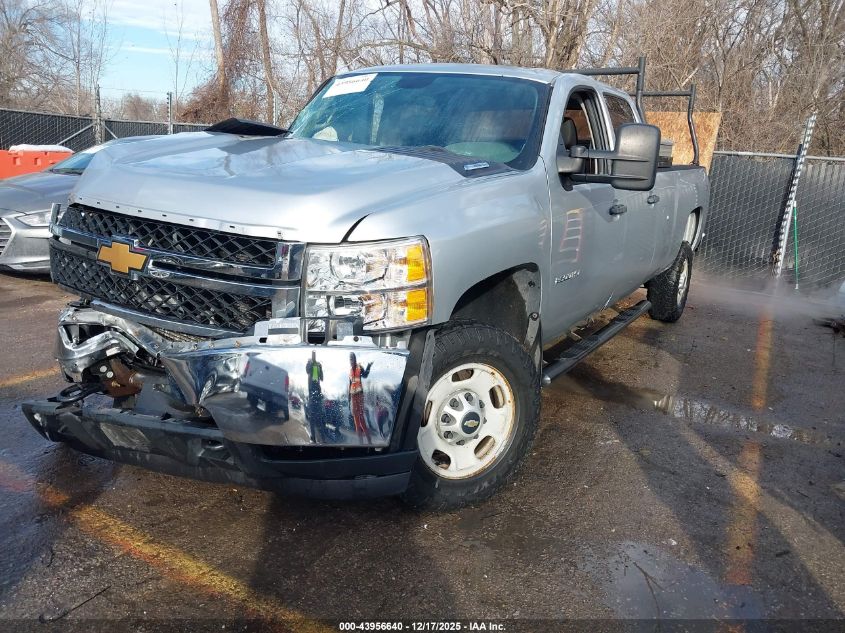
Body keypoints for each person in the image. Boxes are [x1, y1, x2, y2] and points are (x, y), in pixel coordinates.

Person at [348, 353, 373, 444]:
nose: (351, 360)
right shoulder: (350, 371)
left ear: (355, 359)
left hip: (359, 396)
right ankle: (360, 443)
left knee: (361, 420)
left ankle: (369, 442)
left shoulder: (359, 367)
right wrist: (348, 399)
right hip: (353, 396)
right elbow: (350, 385)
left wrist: (369, 366)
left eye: (352, 358)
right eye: (350, 359)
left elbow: (365, 375)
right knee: (357, 423)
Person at [305, 351, 324, 442]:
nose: (313, 355)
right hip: (312, 392)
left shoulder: (319, 364)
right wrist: (310, 363)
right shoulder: (310, 362)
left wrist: (320, 368)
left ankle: (321, 437)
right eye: (312, 353)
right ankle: (313, 437)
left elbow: (322, 378)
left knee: (318, 416)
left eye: (314, 353)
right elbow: (307, 370)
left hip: (317, 393)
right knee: (312, 416)